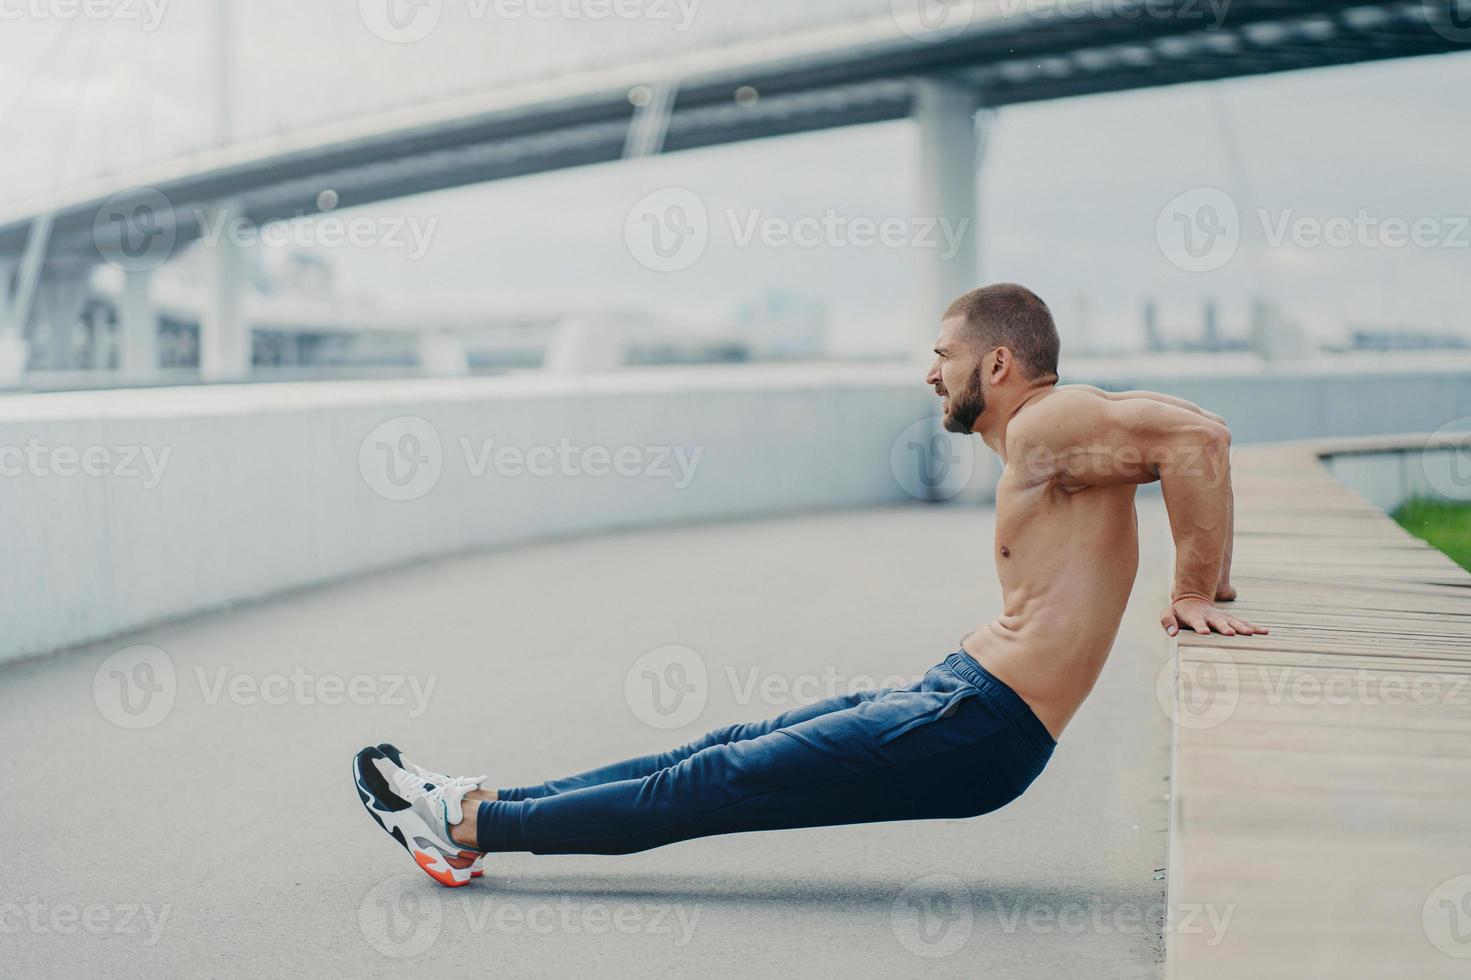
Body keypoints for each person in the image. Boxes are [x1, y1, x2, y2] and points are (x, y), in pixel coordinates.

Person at [352, 282, 1268, 887]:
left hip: (984, 725)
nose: (929, 371)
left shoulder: (1048, 422)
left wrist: (1191, 589)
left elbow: (1200, 441)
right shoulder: (1065, 433)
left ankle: (463, 829)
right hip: (962, 695)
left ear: (996, 363)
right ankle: (481, 805)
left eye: (943, 354)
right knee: (727, 743)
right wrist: (1212, 577)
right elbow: (1191, 435)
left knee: (717, 778)